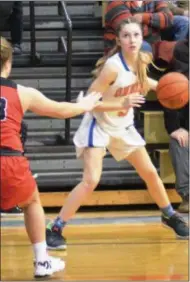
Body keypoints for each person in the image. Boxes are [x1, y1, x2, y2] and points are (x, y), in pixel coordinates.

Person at [46, 18, 189, 250]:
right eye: (126, 36)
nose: (132, 40)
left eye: (136, 35)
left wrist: (168, 86)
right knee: (91, 180)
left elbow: (145, 81)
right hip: (100, 125)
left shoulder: (142, 60)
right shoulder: (112, 66)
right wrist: (121, 102)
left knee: (151, 173)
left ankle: (169, 215)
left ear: (142, 38)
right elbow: (87, 102)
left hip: (123, 127)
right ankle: (56, 227)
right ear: (119, 40)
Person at [0, 36, 101, 278]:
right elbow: (61, 110)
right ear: (8, 63)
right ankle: (42, 262)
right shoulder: (22, 93)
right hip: (9, 159)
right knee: (31, 202)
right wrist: (85, 104)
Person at [163, 35, 189, 213]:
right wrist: (175, 128)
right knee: (179, 141)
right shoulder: (182, 49)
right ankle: (188, 195)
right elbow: (172, 92)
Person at [104, 0, 173, 54]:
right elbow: (129, 30)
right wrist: (157, 23)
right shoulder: (115, 2)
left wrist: (143, 17)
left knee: (182, 22)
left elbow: (169, 19)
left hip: (151, 43)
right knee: (143, 46)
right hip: (122, 47)